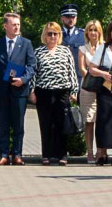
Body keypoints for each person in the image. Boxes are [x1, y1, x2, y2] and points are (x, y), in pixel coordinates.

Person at [0, 12, 35, 165]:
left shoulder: (26, 43)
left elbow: (32, 66)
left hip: (19, 91)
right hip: (2, 91)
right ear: (5, 26)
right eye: (13, 24)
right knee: (3, 124)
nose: (16, 27)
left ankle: (17, 154)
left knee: (18, 125)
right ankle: (4, 155)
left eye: (18, 24)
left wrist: (23, 79)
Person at [29, 22, 78, 165]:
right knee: (46, 124)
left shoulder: (65, 51)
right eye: (49, 33)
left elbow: (71, 72)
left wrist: (74, 91)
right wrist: (32, 91)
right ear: (45, 35)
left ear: (59, 35)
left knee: (62, 124)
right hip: (43, 91)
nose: (52, 36)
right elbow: (33, 74)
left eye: (55, 34)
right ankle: (47, 155)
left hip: (62, 91)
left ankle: (62, 155)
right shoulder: (38, 52)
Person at [89, 20, 112, 166]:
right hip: (106, 90)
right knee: (104, 122)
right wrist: (104, 74)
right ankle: (102, 153)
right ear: (109, 33)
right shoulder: (103, 48)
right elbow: (92, 68)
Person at [78, 20, 104, 163]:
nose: (93, 33)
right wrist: (92, 76)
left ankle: (100, 150)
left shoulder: (105, 47)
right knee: (89, 121)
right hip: (87, 87)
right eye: (90, 30)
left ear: (100, 31)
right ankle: (89, 151)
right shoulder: (83, 48)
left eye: (95, 30)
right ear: (87, 32)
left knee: (101, 119)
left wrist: (101, 78)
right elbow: (82, 69)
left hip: (103, 87)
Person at [60, 3, 86, 81]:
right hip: (61, 78)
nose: (71, 19)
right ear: (62, 18)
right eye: (68, 17)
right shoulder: (55, 34)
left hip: (79, 78)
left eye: (73, 17)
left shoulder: (83, 35)